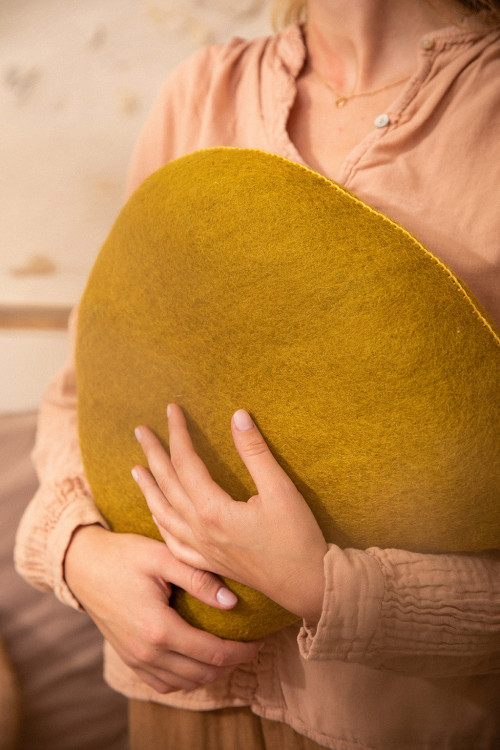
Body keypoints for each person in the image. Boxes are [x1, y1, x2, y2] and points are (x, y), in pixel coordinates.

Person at [14, 0, 500, 748]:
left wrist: (325, 587)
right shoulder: (201, 91)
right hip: (172, 712)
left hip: (391, 725)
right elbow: (82, 392)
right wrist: (76, 554)